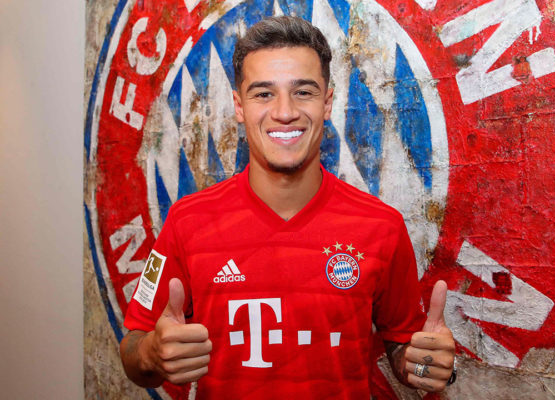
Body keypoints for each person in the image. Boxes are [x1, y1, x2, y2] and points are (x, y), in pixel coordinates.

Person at [120, 15, 456, 399]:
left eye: (304, 92)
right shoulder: (187, 221)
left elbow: (402, 348)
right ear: (239, 106)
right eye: (263, 94)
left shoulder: (382, 226)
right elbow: (133, 350)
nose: (284, 111)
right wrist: (152, 352)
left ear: (327, 102)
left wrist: (422, 364)